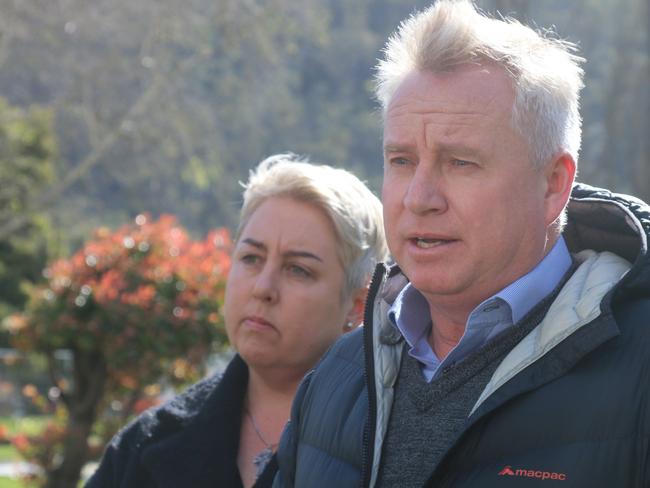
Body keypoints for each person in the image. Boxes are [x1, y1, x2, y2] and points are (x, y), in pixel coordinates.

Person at [272, 2, 650, 487]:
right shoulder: (336, 379)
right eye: (402, 160)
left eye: (460, 163)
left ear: (553, 185)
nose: (419, 198)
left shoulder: (638, 371)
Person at [86, 153, 389, 488]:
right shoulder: (147, 445)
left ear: (358, 304)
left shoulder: (391, 448)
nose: (263, 288)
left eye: (298, 269)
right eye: (251, 258)